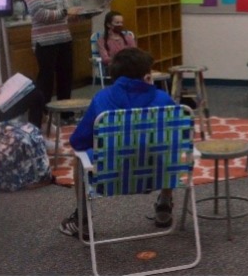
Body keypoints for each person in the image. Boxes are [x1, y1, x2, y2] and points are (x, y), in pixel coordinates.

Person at [60, 47, 178, 238]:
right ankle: (164, 204)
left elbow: (78, 142)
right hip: (155, 174)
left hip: (111, 177)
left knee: (79, 159)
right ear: (146, 75)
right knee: (168, 148)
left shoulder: (102, 100)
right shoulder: (164, 100)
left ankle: (82, 219)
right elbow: (176, 140)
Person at [23, 0, 81, 114]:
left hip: (64, 38)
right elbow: (39, 13)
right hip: (45, 41)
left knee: (66, 78)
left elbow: (64, 10)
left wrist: (75, 15)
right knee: (46, 80)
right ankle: (44, 115)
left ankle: (65, 114)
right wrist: (65, 13)